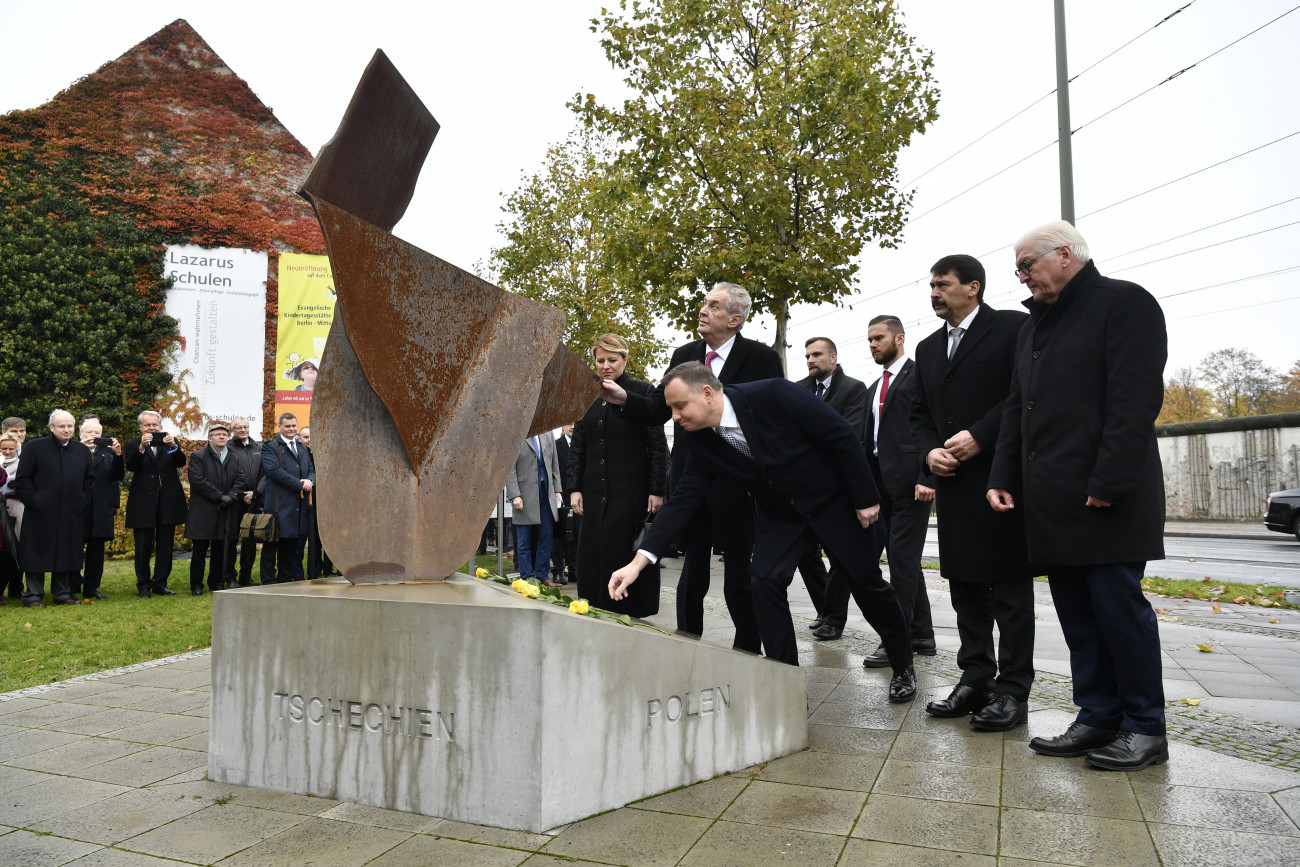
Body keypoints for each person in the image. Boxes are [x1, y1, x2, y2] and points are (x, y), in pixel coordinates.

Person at [609, 362, 917, 704]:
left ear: (707, 393)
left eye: (680, 406)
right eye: (671, 410)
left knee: (866, 584)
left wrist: (865, 498)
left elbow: (840, 435)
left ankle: (903, 663)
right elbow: (682, 500)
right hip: (781, 514)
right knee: (763, 581)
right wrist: (637, 564)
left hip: (835, 503)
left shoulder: (774, 394)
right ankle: (786, 679)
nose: (676, 417)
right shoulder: (700, 442)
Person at [989, 221, 1169, 770]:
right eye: (1018, 270)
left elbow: (1133, 400)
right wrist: (1002, 474)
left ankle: (1145, 727)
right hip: (1052, 500)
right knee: (1077, 616)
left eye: (1028, 266)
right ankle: (1096, 715)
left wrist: (1109, 482)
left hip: (1104, 497)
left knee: (1119, 613)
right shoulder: (1033, 325)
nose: (1023, 277)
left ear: (1065, 255)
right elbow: (1020, 407)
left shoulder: (1124, 303)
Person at [604, 282, 783, 652]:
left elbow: (771, 419)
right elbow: (657, 407)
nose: (703, 310)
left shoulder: (762, 358)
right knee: (692, 568)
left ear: (735, 320)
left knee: (738, 570)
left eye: (713, 306)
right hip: (691, 476)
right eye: (704, 303)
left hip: (739, 484)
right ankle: (687, 642)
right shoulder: (685, 354)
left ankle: (747, 647)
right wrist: (625, 399)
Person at [912, 255, 1035, 732]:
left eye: (942, 284)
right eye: (932, 284)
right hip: (954, 484)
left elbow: (1023, 393)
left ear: (973, 287)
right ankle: (976, 677)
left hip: (1001, 477)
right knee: (964, 587)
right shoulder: (926, 348)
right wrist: (928, 454)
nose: (934, 293)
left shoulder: (1011, 328)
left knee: (1008, 589)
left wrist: (981, 435)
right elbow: (918, 414)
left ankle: (1014, 690)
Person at [841, 316, 941, 667]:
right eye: (869, 339)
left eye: (879, 338)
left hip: (913, 485)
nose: (873, 345)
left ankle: (895, 641)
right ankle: (922, 637)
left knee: (900, 561)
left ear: (899, 338)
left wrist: (928, 477)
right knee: (905, 563)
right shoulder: (874, 387)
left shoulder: (919, 377)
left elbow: (930, 428)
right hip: (881, 485)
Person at [568, 334, 669, 615]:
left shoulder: (643, 391)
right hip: (593, 491)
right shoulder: (586, 395)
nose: (605, 366)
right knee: (592, 551)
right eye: (600, 360)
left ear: (624, 359)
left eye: (612, 360)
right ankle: (592, 603)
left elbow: (657, 446)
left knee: (622, 548)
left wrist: (656, 489)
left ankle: (628, 608)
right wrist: (574, 488)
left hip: (631, 491)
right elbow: (579, 445)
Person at [792, 336, 869, 641]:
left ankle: (835, 619)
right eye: (807, 355)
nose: (811, 360)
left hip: (838, 488)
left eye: (817, 355)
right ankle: (826, 610)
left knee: (839, 556)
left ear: (833, 358)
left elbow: (851, 436)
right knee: (804, 552)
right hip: (805, 488)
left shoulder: (853, 389)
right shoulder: (798, 389)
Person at [10, 409, 93, 607]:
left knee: (66, 551)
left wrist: (81, 501)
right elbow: (22, 480)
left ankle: (62, 593)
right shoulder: (35, 447)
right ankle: (33, 595)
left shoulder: (81, 451)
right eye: (61, 426)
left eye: (70, 426)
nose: (66, 430)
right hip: (40, 512)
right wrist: (35, 501)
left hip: (71, 513)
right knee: (36, 552)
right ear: (52, 428)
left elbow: (89, 481)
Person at [124, 410, 187, 597]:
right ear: (140, 428)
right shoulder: (133, 444)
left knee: (165, 545)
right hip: (143, 502)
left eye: (155, 425)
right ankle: (143, 585)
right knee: (142, 545)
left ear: (160, 426)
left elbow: (181, 462)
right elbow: (131, 466)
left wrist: (175, 446)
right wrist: (142, 448)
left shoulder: (169, 442)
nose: (151, 428)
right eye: (147, 425)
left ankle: (160, 583)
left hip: (167, 501)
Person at [186, 422, 245, 595]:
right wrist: (220, 496)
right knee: (199, 551)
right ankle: (196, 584)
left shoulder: (235, 456)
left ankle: (216, 582)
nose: (221, 437)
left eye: (224, 434)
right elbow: (197, 480)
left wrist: (232, 497)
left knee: (221, 549)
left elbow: (240, 479)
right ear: (209, 438)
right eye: (217, 434)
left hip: (226, 510)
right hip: (204, 510)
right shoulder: (199, 456)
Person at [261, 412, 315, 583]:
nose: (291, 429)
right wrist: (299, 484)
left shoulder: (301, 448)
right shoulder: (271, 446)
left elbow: (312, 470)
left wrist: (310, 481)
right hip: (279, 504)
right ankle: (268, 581)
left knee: (291, 544)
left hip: (299, 505)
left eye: (294, 425)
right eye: (287, 426)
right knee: (272, 544)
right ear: (280, 427)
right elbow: (274, 471)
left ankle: (285, 578)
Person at [506, 433, 563, 584]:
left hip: (546, 495)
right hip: (524, 496)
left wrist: (557, 489)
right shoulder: (517, 432)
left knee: (546, 537)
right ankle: (527, 578)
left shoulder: (548, 433)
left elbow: (554, 464)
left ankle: (543, 576)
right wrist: (514, 495)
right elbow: (509, 468)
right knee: (524, 541)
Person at [78, 415, 124, 600]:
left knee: (96, 553)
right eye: (89, 432)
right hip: (78, 507)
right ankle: (71, 584)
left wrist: (119, 454)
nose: (93, 435)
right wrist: (81, 447)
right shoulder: (73, 450)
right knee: (74, 549)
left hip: (100, 508)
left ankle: (92, 588)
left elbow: (117, 477)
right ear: (81, 433)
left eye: (97, 432)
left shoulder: (108, 452)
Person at [224, 417, 262, 587]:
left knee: (250, 541)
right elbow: (226, 475)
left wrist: (255, 493)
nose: (243, 430)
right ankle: (229, 577)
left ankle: (246, 577)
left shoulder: (258, 447)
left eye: (245, 426)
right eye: (238, 427)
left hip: (253, 501)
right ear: (233, 430)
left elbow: (265, 473)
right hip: (234, 502)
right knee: (231, 540)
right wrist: (239, 494)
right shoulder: (227, 448)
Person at [298, 426, 334, 578]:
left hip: (325, 501)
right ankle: (313, 570)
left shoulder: (325, 454)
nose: (309, 440)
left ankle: (326, 567)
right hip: (308, 501)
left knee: (324, 537)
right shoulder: (301, 455)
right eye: (306, 437)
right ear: (300, 439)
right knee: (311, 538)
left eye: (312, 437)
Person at [550, 423, 579, 585]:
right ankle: (558, 571)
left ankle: (574, 570)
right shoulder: (556, 446)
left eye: (576, 423)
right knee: (559, 536)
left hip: (578, 497)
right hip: (560, 497)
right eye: (569, 423)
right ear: (563, 426)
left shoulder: (583, 445)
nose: (573, 427)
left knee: (576, 533)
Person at [0, 434, 21, 602]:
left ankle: (15, 586)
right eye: (3, 448)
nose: (7, 452)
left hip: (13, 506)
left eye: (10, 449)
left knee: (12, 547)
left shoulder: (21, 463)